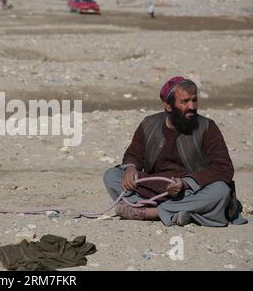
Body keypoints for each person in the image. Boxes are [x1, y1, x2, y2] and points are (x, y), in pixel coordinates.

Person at [103, 76, 247, 227]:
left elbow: (223, 168)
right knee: (112, 176)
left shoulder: (207, 128)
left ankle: (151, 213)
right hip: (156, 188)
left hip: (191, 191)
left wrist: (185, 183)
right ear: (168, 105)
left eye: (194, 100)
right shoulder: (149, 124)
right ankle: (184, 213)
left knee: (220, 191)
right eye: (184, 102)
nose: (192, 106)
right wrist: (130, 168)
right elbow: (134, 155)